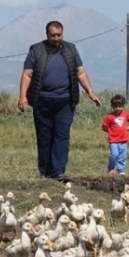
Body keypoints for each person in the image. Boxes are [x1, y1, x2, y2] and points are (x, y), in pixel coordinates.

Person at [18, 20, 101, 181]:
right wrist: (23, 97)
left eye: (59, 35)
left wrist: (89, 91)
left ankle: (58, 172)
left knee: (61, 135)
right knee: (44, 136)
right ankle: (44, 171)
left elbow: (80, 72)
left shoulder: (71, 49)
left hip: (65, 101)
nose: (56, 38)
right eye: (53, 35)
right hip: (42, 100)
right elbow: (27, 74)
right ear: (47, 34)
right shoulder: (36, 50)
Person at [101, 94, 129, 175]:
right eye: (115, 106)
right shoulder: (109, 117)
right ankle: (111, 168)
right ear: (112, 106)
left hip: (123, 140)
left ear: (123, 106)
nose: (118, 108)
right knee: (114, 154)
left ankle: (121, 170)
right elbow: (104, 127)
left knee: (123, 156)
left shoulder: (126, 114)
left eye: (120, 106)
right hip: (113, 140)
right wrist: (111, 132)